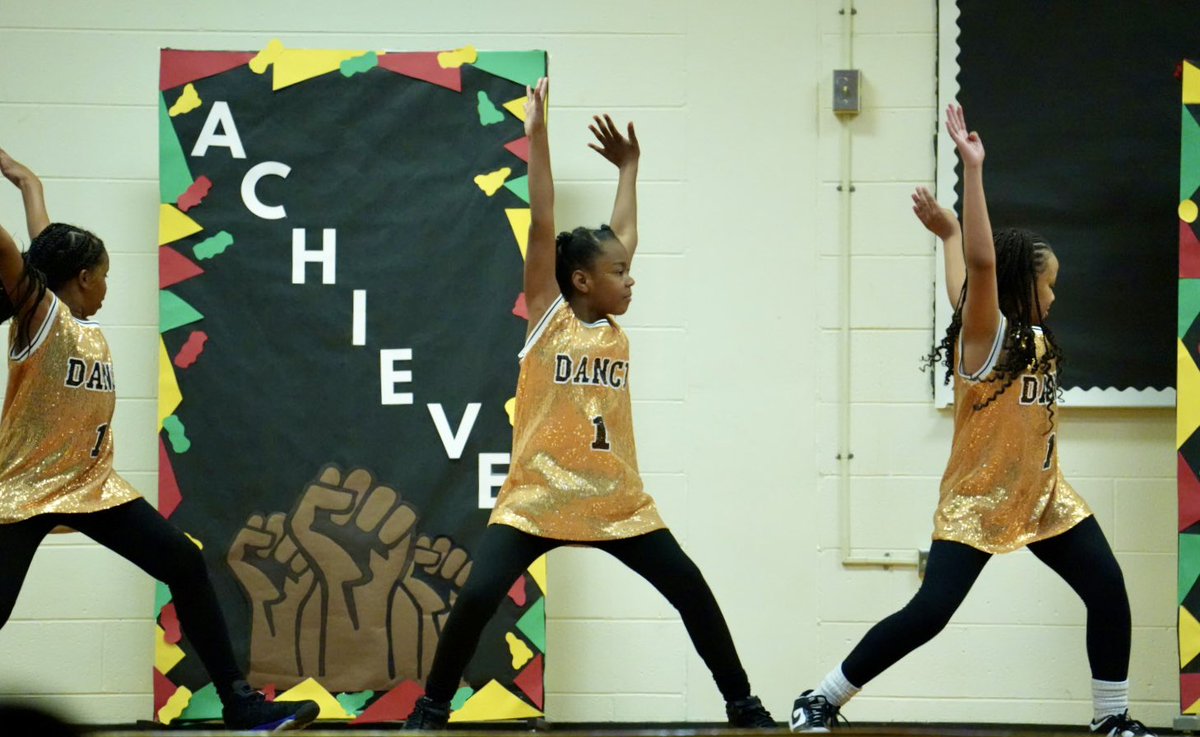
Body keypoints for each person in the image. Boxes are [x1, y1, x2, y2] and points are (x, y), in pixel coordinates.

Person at [403, 79, 774, 729]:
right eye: (619, 272)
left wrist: (630, 169)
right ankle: (431, 709)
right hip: (537, 496)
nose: (631, 278)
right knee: (478, 595)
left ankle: (743, 704)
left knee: (691, 591)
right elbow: (543, 221)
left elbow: (622, 232)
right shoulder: (548, 317)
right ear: (580, 279)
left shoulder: (611, 326)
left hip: (614, 498)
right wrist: (537, 136)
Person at [789, 106, 1152, 737]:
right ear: (1019, 286)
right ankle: (819, 699)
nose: (1056, 296)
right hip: (978, 499)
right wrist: (972, 170)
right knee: (930, 613)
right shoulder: (985, 335)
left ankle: (1112, 718)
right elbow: (981, 270)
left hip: (1043, 496)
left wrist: (948, 233)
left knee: (1109, 589)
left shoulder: (1031, 334)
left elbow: (965, 267)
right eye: (1051, 285)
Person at [0, 149, 319, 732]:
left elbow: (45, 244)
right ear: (85, 277)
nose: (106, 288)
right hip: (25, 489)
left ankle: (240, 705)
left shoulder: (73, 319)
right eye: (105, 276)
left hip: (91, 486)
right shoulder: (37, 312)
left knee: (184, 561)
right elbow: (15, 255)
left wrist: (28, 181)